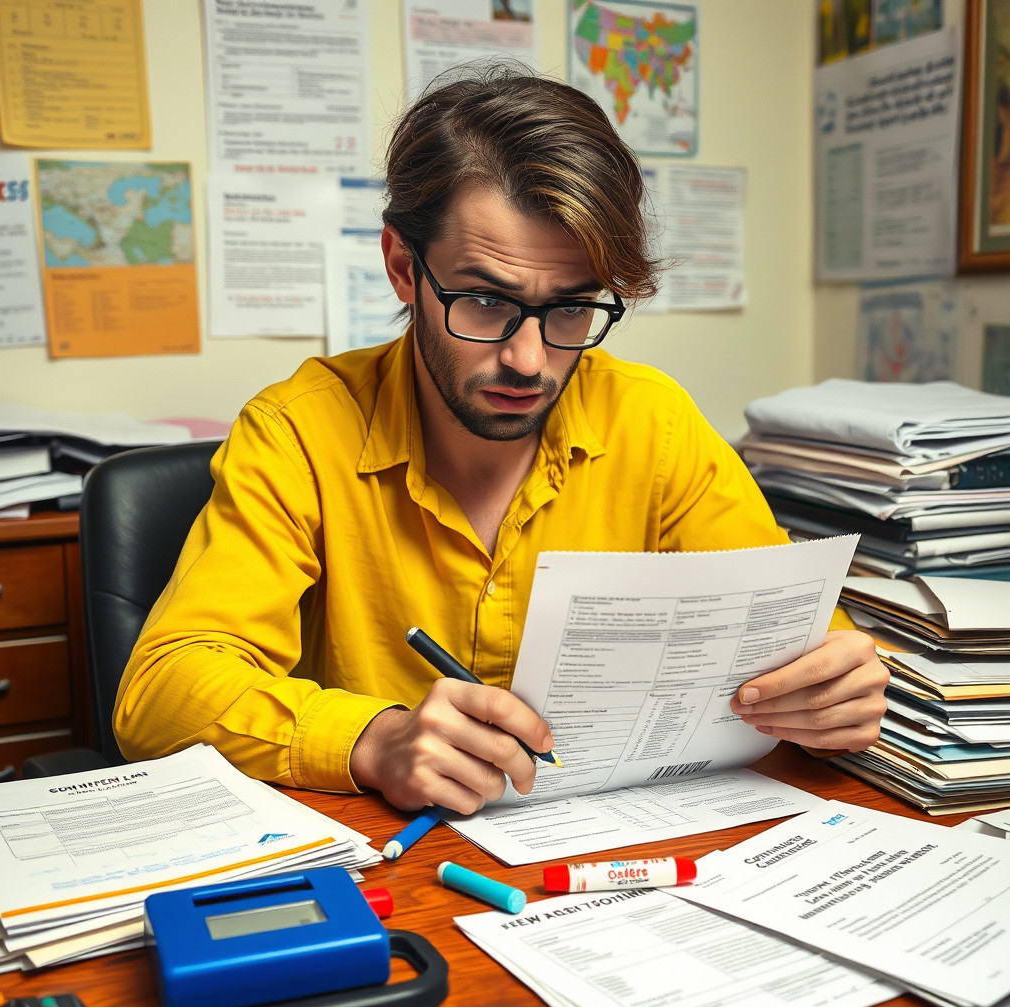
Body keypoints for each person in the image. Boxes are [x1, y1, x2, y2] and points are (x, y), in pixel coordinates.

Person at [115, 67, 887, 815]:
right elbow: (161, 692)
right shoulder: (298, 431)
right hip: (393, 870)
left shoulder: (653, 423)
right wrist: (375, 741)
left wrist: (831, 687)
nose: (528, 359)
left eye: (572, 308)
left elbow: (791, 635)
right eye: (486, 300)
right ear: (402, 268)